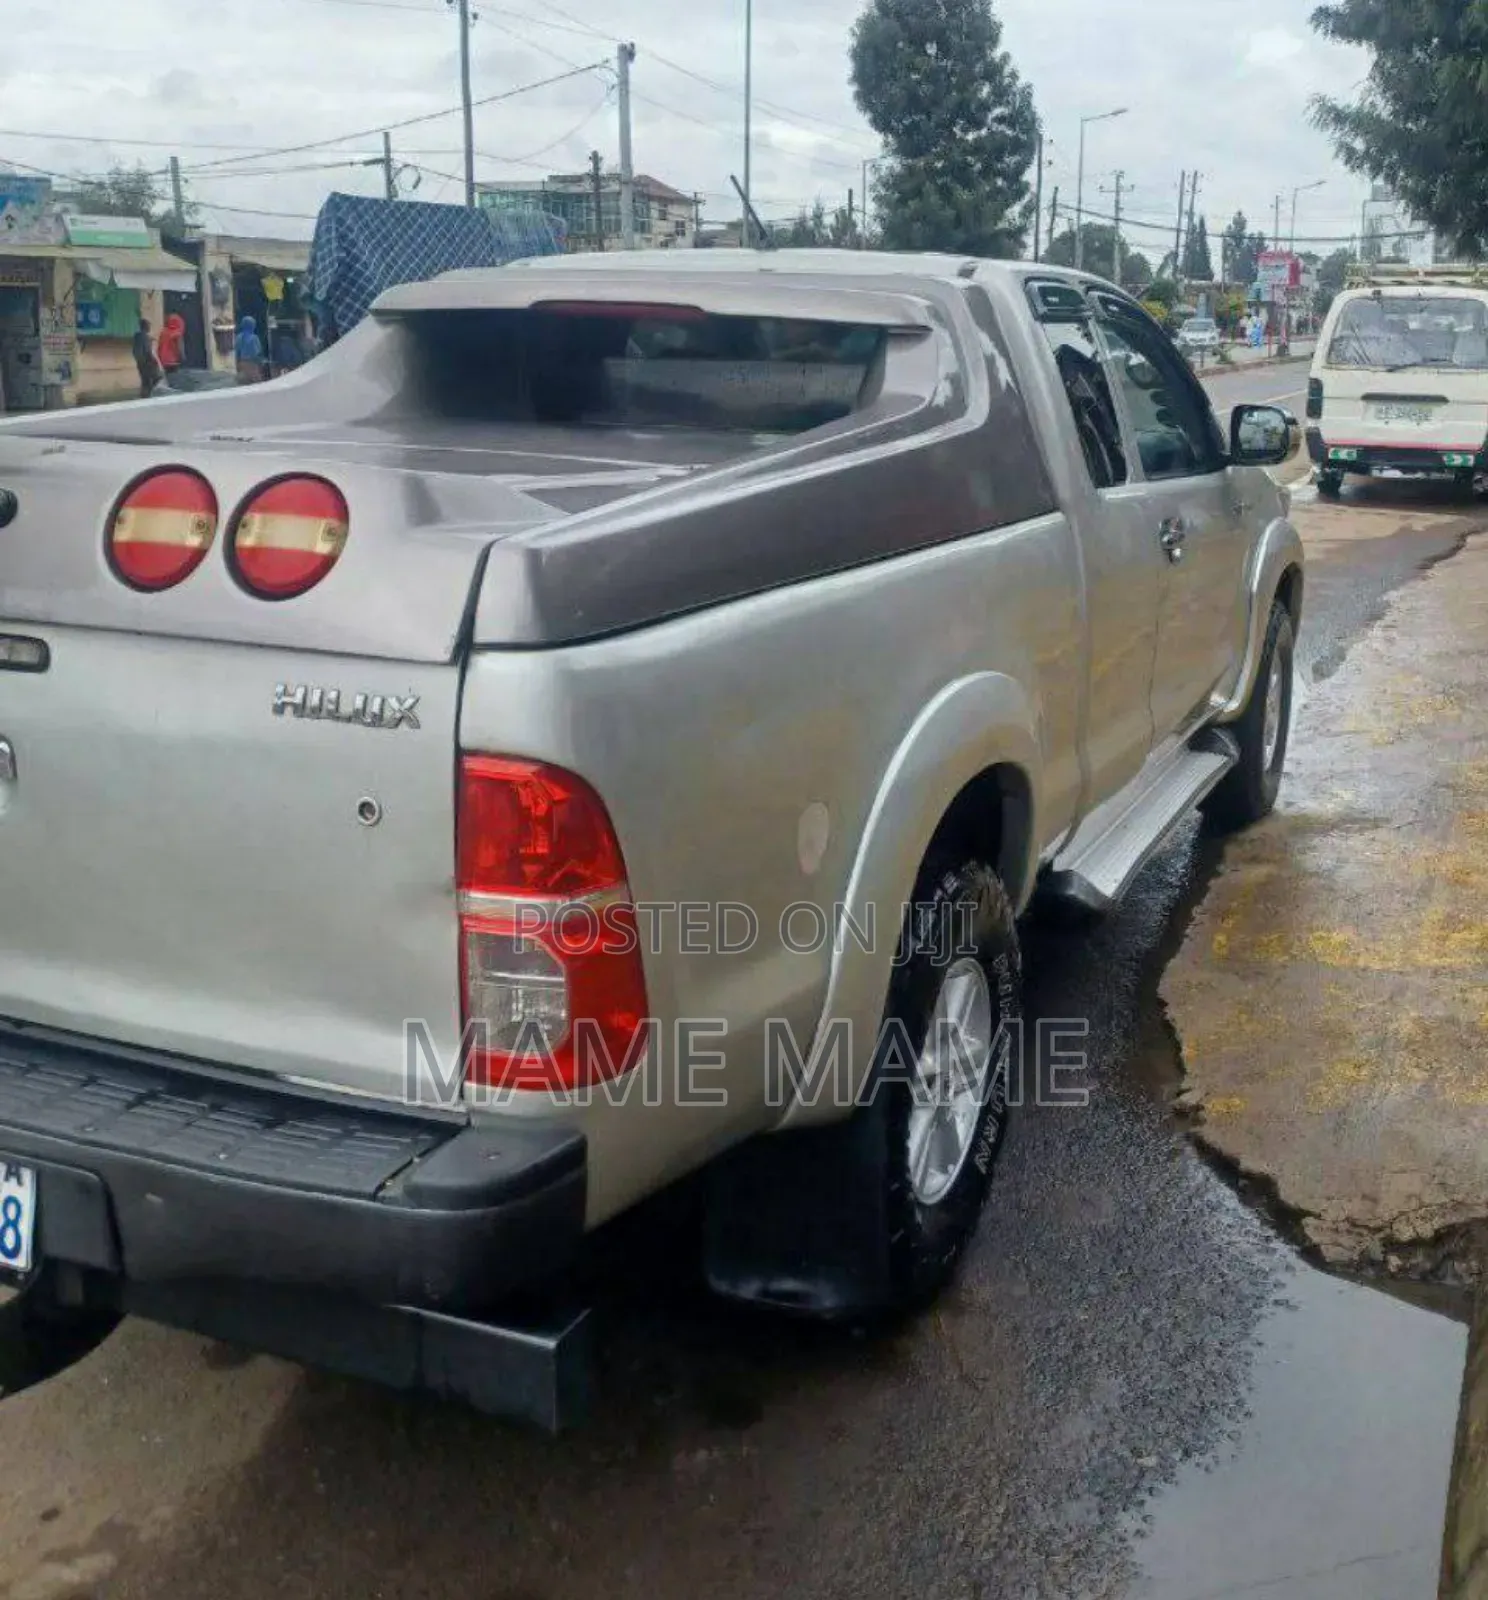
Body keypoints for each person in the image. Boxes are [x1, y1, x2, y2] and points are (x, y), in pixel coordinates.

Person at [132, 318, 163, 398]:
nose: (149, 328)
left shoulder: (138, 336)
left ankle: (145, 394)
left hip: (140, 362)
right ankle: (146, 394)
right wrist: (153, 360)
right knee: (156, 377)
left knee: (145, 380)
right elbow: (147, 351)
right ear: (145, 326)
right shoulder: (144, 337)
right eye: (148, 326)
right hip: (147, 362)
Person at [234, 315, 264, 382]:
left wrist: (238, 365)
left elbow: (237, 353)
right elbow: (258, 354)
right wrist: (261, 365)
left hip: (242, 365)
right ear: (252, 326)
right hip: (252, 365)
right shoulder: (255, 338)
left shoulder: (238, 337)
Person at [156, 312, 186, 378]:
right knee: (175, 378)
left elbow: (159, 346)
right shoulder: (177, 334)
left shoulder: (163, 332)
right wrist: (182, 357)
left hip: (164, 361)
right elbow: (180, 348)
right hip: (174, 361)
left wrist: (159, 358)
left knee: (167, 377)